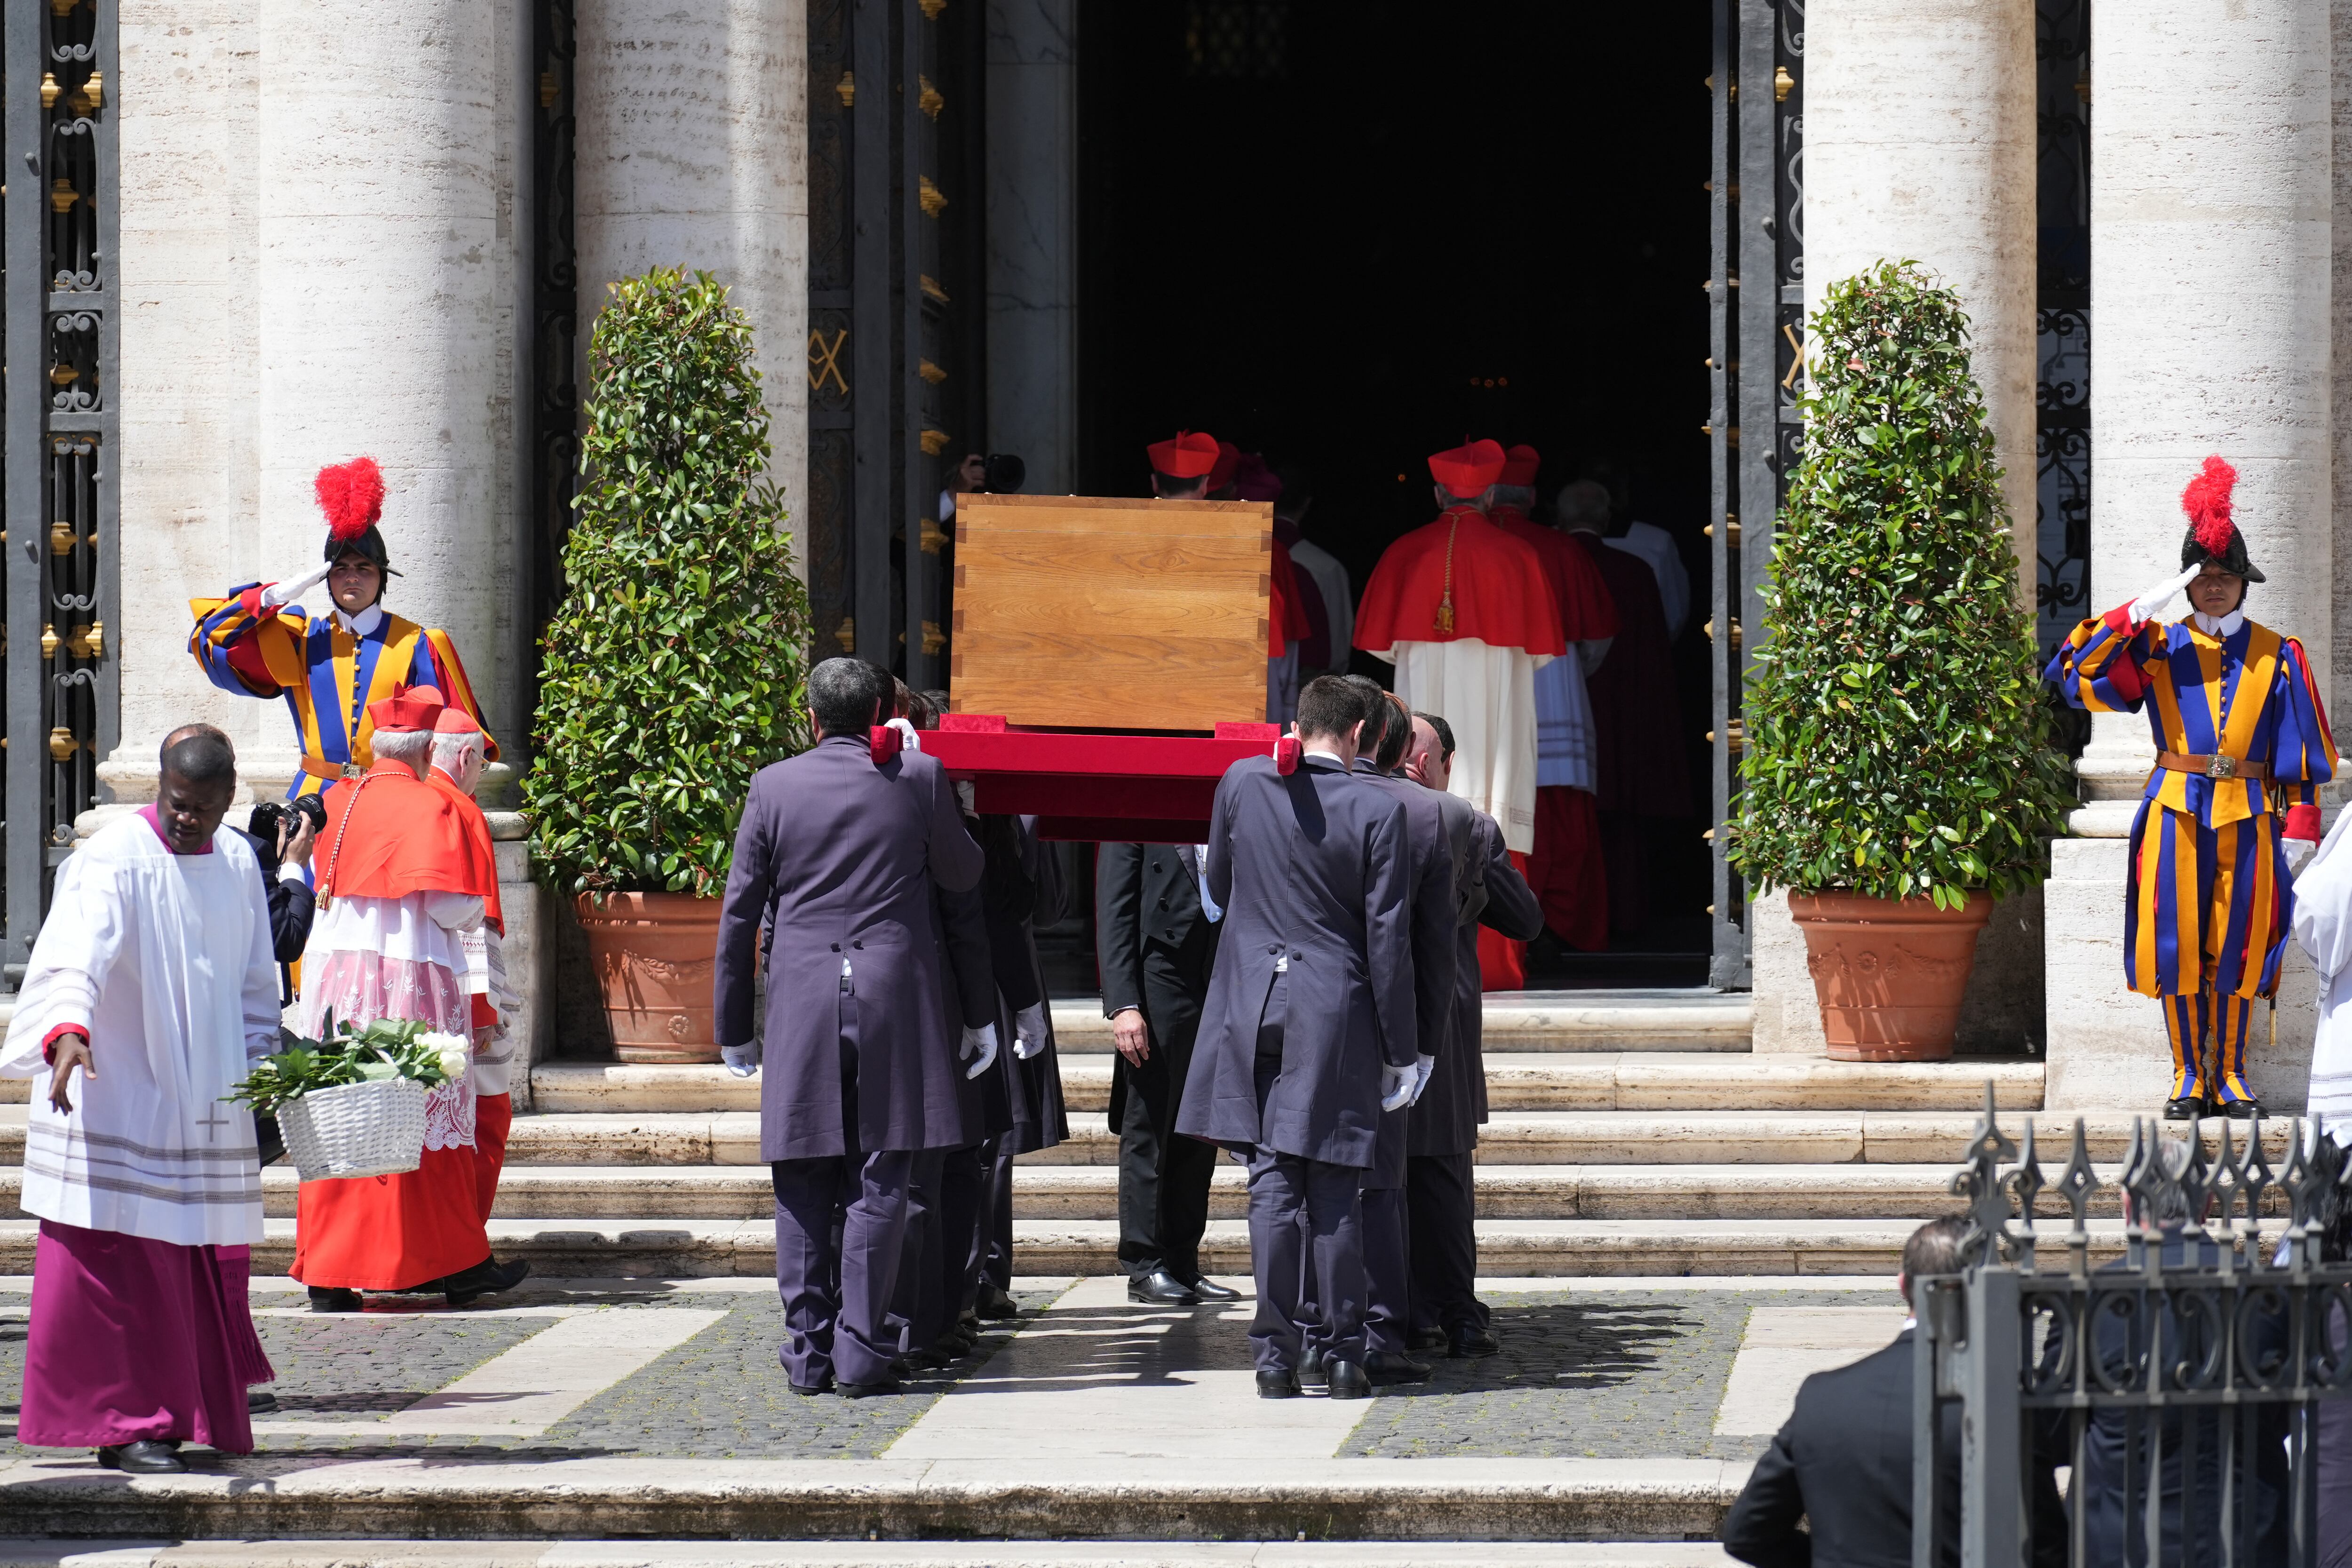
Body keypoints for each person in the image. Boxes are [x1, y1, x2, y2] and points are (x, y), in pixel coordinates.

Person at [0, 727, 281, 1473]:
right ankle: (121, 1423)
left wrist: (264, 1068)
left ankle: (174, 1412)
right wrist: (68, 1031)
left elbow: (256, 979)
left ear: (229, 802)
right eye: (176, 802)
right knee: (113, 1263)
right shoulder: (112, 858)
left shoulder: (234, 862)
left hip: (202, 1097)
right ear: (160, 783)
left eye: (203, 808)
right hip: (117, 1087)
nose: (186, 818)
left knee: (185, 1261)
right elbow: (74, 956)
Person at [713, 657, 987, 1397]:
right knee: (882, 1173)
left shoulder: (774, 784)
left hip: (804, 995)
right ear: (876, 713)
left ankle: (808, 1350)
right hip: (893, 990)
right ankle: (863, 1349)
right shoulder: (917, 779)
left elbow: (741, 912)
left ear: (809, 717)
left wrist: (733, 1022)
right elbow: (965, 875)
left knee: (803, 1174)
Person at [2048, 455, 2334, 1118]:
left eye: (2225, 576)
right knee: (2175, 939)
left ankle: (2230, 1074)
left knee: (2239, 942)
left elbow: (2304, 757)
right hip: (2175, 807)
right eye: (2203, 577)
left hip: (2252, 815)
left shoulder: (2280, 652)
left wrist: (2299, 837)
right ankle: (2186, 1074)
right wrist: (2130, 614)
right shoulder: (2155, 645)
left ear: (2243, 584)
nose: (2214, 587)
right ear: (2187, 585)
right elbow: (2072, 677)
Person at [1176, 675, 1421, 1401]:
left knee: (1272, 1187)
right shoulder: (1379, 806)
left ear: (1298, 721)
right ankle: (1343, 1354)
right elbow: (1388, 939)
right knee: (1338, 1189)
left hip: (1253, 1002)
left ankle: (1275, 1356)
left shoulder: (1243, 781)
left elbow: (1217, 885)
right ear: (1358, 735)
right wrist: (1401, 1047)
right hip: (1333, 1008)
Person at [291, 684, 523, 1312]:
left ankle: (330, 1274)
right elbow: (453, 905)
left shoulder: (340, 796)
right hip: (408, 981)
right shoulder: (431, 806)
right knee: (423, 1121)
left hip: (339, 979)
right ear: (425, 751)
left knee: (345, 1119)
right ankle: (455, 1267)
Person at [1721, 1215, 2069, 1568]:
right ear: (1989, 1296)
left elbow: (1747, 1533)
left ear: (1904, 1286)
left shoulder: (1821, 1398)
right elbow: (2047, 1547)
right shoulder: (2002, 1406)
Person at [1355, 439, 1563, 987]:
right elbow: (1540, 654)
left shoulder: (1404, 552)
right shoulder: (1519, 557)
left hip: (1421, 703)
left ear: (1436, 493)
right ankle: (1498, 961)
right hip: (1497, 711)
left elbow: (1381, 646)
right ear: (1493, 493)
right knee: (1491, 792)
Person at [189, 455, 497, 809]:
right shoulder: (299, 639)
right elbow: (212, 635)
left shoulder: (418, 644)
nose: (352, 576)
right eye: (341, 568)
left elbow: (457, 743)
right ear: (326, 578)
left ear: (381, 577)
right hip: (313, 803)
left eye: (364, 568)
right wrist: (277, 595)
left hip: (391, 802)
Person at [2069, 1138, 2290, 1568]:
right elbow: (2286, 1411)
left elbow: (2057, 1426)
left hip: (2125, 1543)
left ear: (2128, 1205)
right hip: (2248, 1542)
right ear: (2208, 1203)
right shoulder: (2270, 1291)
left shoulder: (2090, 1299)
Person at [1403, 711, 1543, 1357]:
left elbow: (1525, 920)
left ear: (1446, 765)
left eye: (1421, 754)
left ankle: (1454, 1308)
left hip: (1443, 1028)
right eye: (1402, 749)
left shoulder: (1471, 828)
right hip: (1384, 1020)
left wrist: (1473, 860)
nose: (1411, 762)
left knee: (1441, 1173)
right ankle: (1413, 1309)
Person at [1340, 683, 1460, 1387]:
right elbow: (1423, 945)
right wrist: (1416, 1048)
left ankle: (1304, 1333)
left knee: (1297, 1188)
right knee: (1379, 1187)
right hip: (1384, 1028)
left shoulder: (1267, 791)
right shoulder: (1431, 813)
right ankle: (1383, 1332)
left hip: (1290, 1020)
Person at [1489, 445, 1617, 962]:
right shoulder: (1561, 550)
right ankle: (1560, 922)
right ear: (1535, 498)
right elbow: (1598, 638)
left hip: (1489, 688)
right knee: (1560, 807)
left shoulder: (1467, 545)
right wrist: (1571, 674)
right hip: (1558, 683)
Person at [1097, 832, 1231, 1307]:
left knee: (1199, 1129)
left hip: (1215, 974)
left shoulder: (1227, 809)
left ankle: (1182, 1260)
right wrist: (1123, 1005)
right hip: (1159, 978)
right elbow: (1114, 909)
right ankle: (1144, 1264)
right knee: (1149, 1126)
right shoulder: (1136, 814)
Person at [1556, 479, 1690, 939]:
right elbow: (1665, 636)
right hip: (1624, 710)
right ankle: (1627, 922)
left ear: (1557, 518)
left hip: (1564, 710)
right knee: (1623, 822)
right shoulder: (1634, 571)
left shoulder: (1545, 564)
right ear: (1607, 519)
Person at [426, 707, 520, 1224]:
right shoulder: (460, 810)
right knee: (488, 1112)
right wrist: (485, 1008)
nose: (480, 777)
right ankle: (467, 1240)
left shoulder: (413, 802)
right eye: (482, 765)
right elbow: (473, 921)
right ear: (465, 757)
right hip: (467, 979)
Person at [1272, 460, 1355, 682]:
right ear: (1307, 503)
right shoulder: (1327, 567)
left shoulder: (1230, 554)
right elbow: (1338, 651)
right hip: (1311, 687)